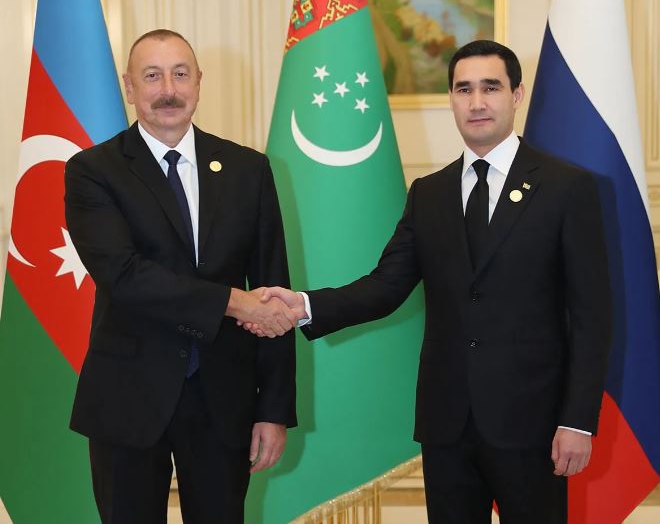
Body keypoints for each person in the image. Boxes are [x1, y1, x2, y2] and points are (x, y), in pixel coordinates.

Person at [246, 40, 612, 524]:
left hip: (534, 423)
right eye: (464, 89)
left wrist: (577, 420)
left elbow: (592, 317)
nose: (476, 102)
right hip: (447, 425)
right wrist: (304, 305)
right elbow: (385, 286)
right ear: (451, 99)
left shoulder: (566, 188)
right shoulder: (429, 193)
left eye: (491, 88)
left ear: (517, 95)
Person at [64, 29, 298, 524]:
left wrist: (273, 409)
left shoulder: (248, 169)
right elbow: (124, 275)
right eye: (152, 76)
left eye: (180, 74)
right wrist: (233, 301)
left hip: (223, 400)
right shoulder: (93, 170)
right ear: (130, 87)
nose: (168, 89)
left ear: (198, 83)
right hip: (128, 397)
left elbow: (274, 291)